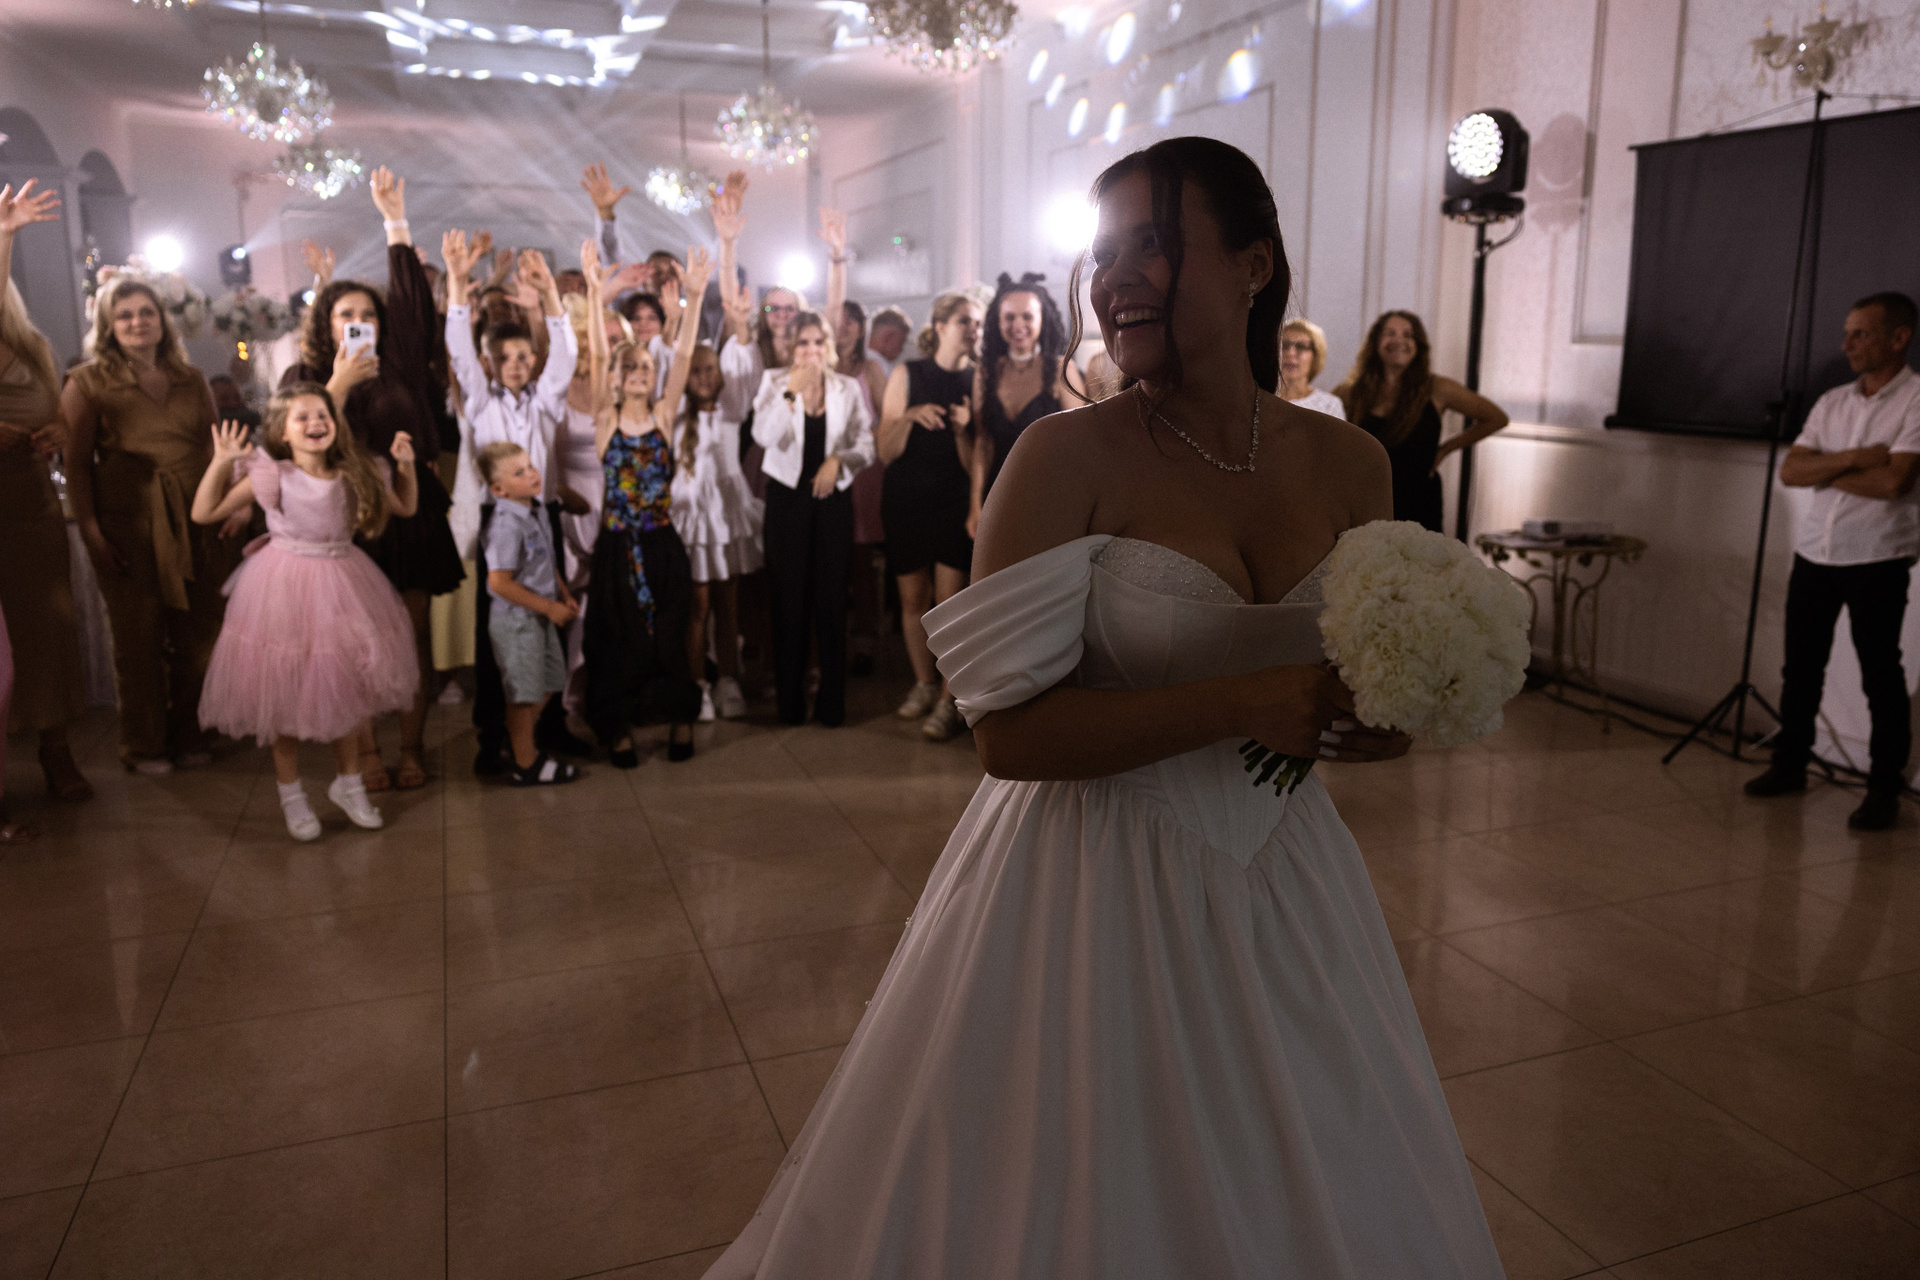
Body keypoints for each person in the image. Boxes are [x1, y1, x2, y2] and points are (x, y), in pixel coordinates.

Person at [706, 136, 1502, 1279]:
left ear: (1254, 262)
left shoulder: (1352, 464)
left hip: (1283, 876)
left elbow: (1350, 677)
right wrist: (1248, 700)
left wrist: (1378, 716)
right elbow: (1005, 732)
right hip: (1091, 875)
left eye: (1152, 246)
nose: (1116, 279)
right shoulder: (1063, 455)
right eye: (1106, 253)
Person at [280, 167, 463, 791]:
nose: (359, 321)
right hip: (344, 523)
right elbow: (296, 440)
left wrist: (395, 223)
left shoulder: (401, 366)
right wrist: (338, 384)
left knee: (409, 635)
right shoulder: (306, 377)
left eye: (367, 314)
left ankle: (410, 748)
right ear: (327, 324)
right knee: (353, 643)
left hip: (408, 512)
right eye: (345, 314)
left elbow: (413, 308)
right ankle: (366, 755)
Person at [192, 390, 419, 839]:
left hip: (343, 580)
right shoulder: (272, 474)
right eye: (303, 417)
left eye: (323, 414)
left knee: (346, 689)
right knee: (284, 694)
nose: (316, 422)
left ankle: (349, 784)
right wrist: (220, 463)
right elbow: (204, 512)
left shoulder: (356, 471)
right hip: (284, 586)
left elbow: (405, 507)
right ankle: (291, 795)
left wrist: (406, 466)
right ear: (282, 432)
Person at [1747, 291, 1920, 831]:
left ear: (1899, 338)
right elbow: (1790, 472)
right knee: (1800, 667)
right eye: (1847, 333)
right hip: (1815, 553)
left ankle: (1883, 790)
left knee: (1880, 674)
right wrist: (1854, 459)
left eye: (1860, 334)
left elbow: (1894, 482)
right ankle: (1790, 765)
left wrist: (1825, 470)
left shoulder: (1916, 399)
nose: (1846, 345)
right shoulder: (1832, 402)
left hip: (1877, 556)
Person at [63, 275, 239, 773]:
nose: (137, 322)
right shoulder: (87, 382)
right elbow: (76, 466)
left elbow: (213, 449)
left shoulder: (191, 378)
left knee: (199, 631)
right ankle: (143, 744)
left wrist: (229, 502)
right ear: (108, 326)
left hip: (195, 515)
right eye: (124, 316)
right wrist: (92, 532)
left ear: (162, 320)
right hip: (129, 524)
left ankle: (191, 732)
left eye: (146, 312)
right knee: (138, 636)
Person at [443, 231, 578, 774]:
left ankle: (548, 730)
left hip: (542, 515)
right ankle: (494, 739)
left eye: (523, 355)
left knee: (548, 622)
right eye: (503, 357)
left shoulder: (544, 403)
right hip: (499, 518)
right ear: (488, 362)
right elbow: (459, 351)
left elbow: (565, 359)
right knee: (497, 627)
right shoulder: (480, 401)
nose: (515, 363)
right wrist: (458, 285)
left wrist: (550, 297)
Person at [581, 240, 712, 764]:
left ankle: (681, 718)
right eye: (629, 366)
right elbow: (597, 354)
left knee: (672, 633)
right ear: (616, 377)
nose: (638, 371)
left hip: (661, 542)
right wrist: (595, 295)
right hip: (617, 545)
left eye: (644, 365)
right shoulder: (606, 420)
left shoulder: (662, 415)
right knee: (617, 638)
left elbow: (683, 356)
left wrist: (694, 298)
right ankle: (618, 729)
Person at [0, 179, 89, 802]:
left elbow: (55, 415)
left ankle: (56, 747)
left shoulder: (30, 341)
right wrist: (5, 234)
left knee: (47, 626)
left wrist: (57, 430)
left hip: (31, 500)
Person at [753, 310, 874, 727]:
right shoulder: (774, 382)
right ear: (791, 347)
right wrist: (791, 392)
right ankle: (790, 704)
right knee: (789, 601)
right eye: (803, 343)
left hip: (831, 500)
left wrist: (839, 460)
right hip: (787, 502)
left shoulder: (846, 387)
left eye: (818, 342)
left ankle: (831, 704)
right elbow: (763, 436)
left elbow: (866, 444)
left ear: (829, 347)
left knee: (832, 601)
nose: (811, 350)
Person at [878, 291, 982, 741]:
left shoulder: (978, 379)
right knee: (912, 602)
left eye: (977, 323)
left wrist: (962, 430)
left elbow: (975, 464)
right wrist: (909, 416)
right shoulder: (908, 373)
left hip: (954, 503)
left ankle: (947, 699)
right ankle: (923, 683)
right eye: (965, 321)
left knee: (950, 607)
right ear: (940, 326)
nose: (973, 329)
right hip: (905, 501)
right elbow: (885, 452)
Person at [1333, 310, 1507, 532]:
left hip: (1420, 501)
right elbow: (1324, 429)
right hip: (1367, 500)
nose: (1399, 340)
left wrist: (1445, 450)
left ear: (1418, 345)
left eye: (1408, 335)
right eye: (1389, 333)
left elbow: (1496, 418)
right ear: (1375, 342)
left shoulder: (1438, 388)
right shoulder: (1350, 392)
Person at [477, 441, 583, 785]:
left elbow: (545, 562)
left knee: (548, 682)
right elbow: (499, 583)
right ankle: (526, 764)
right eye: (519, 473)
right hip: (518, 621)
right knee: (523, 695)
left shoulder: (536, 511)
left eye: (531, 466)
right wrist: (549, 607)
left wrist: (562, 594)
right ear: (499, 489)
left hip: (540, 614)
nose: (532, 475)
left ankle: (517, 741)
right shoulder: (505, 526)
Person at [672, 334, 763, 722]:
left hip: (725, 514)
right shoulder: (675, 413)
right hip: (694, 517)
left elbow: (748, 369)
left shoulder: (731, 409)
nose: (704, 376)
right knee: (698, 605)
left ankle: (728, 678)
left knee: (728, 604)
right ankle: (697, 684)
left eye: (710, 369)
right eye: (695, 370)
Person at [974, 272, 1071, 502]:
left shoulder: (1060, 369)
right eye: (1009, 317)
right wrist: (975, 505)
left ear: (1042, 319)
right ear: (998, 321)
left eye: (1027, 316)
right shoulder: (985, 372)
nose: (1018, 325)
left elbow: (1079, 442)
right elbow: (983, 443)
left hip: (1051, 493)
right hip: (997, 494)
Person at [1279, 318, 1345, 417]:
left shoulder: (1329, 405)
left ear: (1315, 355)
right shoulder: (1262, 399)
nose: (1290, 353)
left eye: (1301, 346)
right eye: (1284, 345)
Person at [867, 306, 912, 374]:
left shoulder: (853, 359)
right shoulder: (881, 367)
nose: (901, 349)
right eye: (901, 342)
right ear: (888, 336)